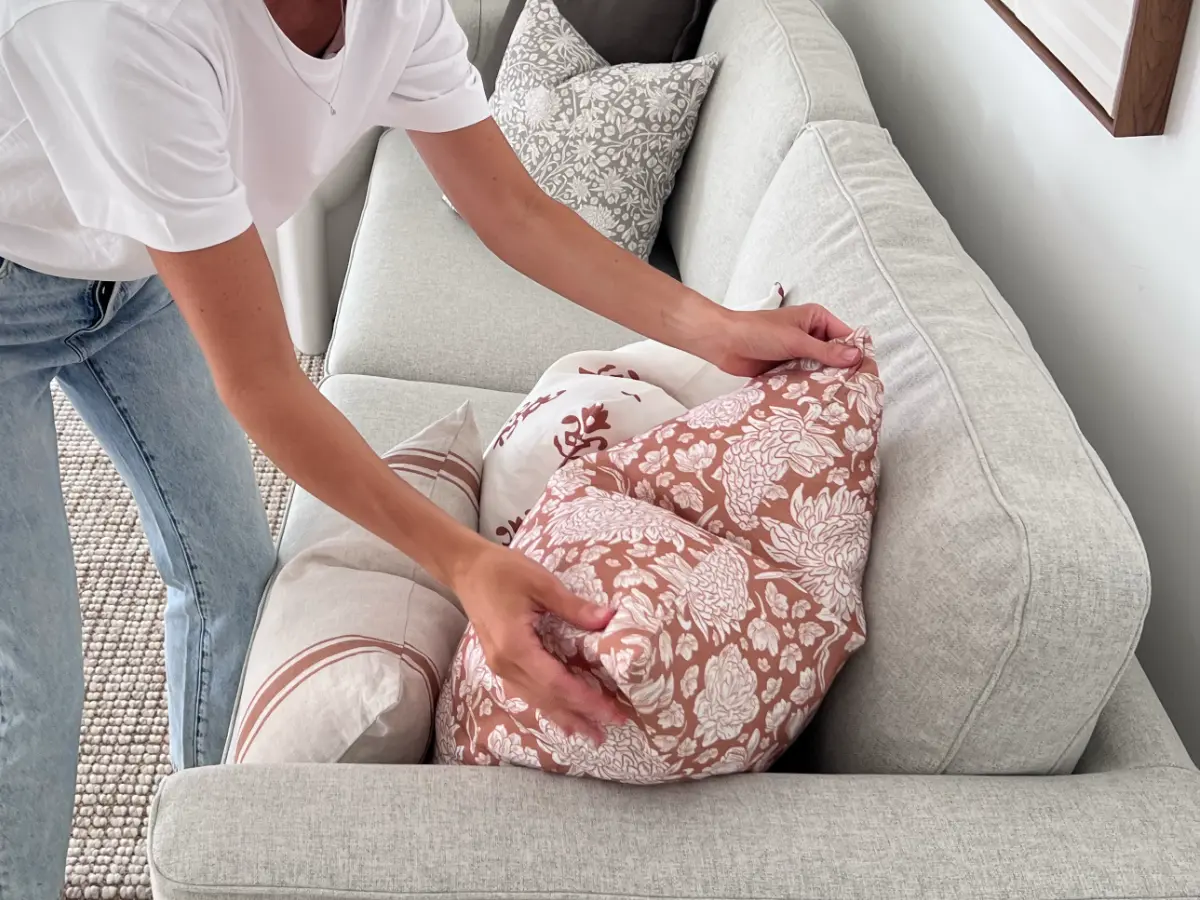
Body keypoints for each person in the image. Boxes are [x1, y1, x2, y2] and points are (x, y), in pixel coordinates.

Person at [0, 0, 861, 895]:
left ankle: (216, 848)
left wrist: (714, 328)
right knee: (31, 687)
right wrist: (464, 562)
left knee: (230, 579)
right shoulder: (126, 24)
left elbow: (513, 208)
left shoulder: (396, 8)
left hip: (136, 273)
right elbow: (261, 380)